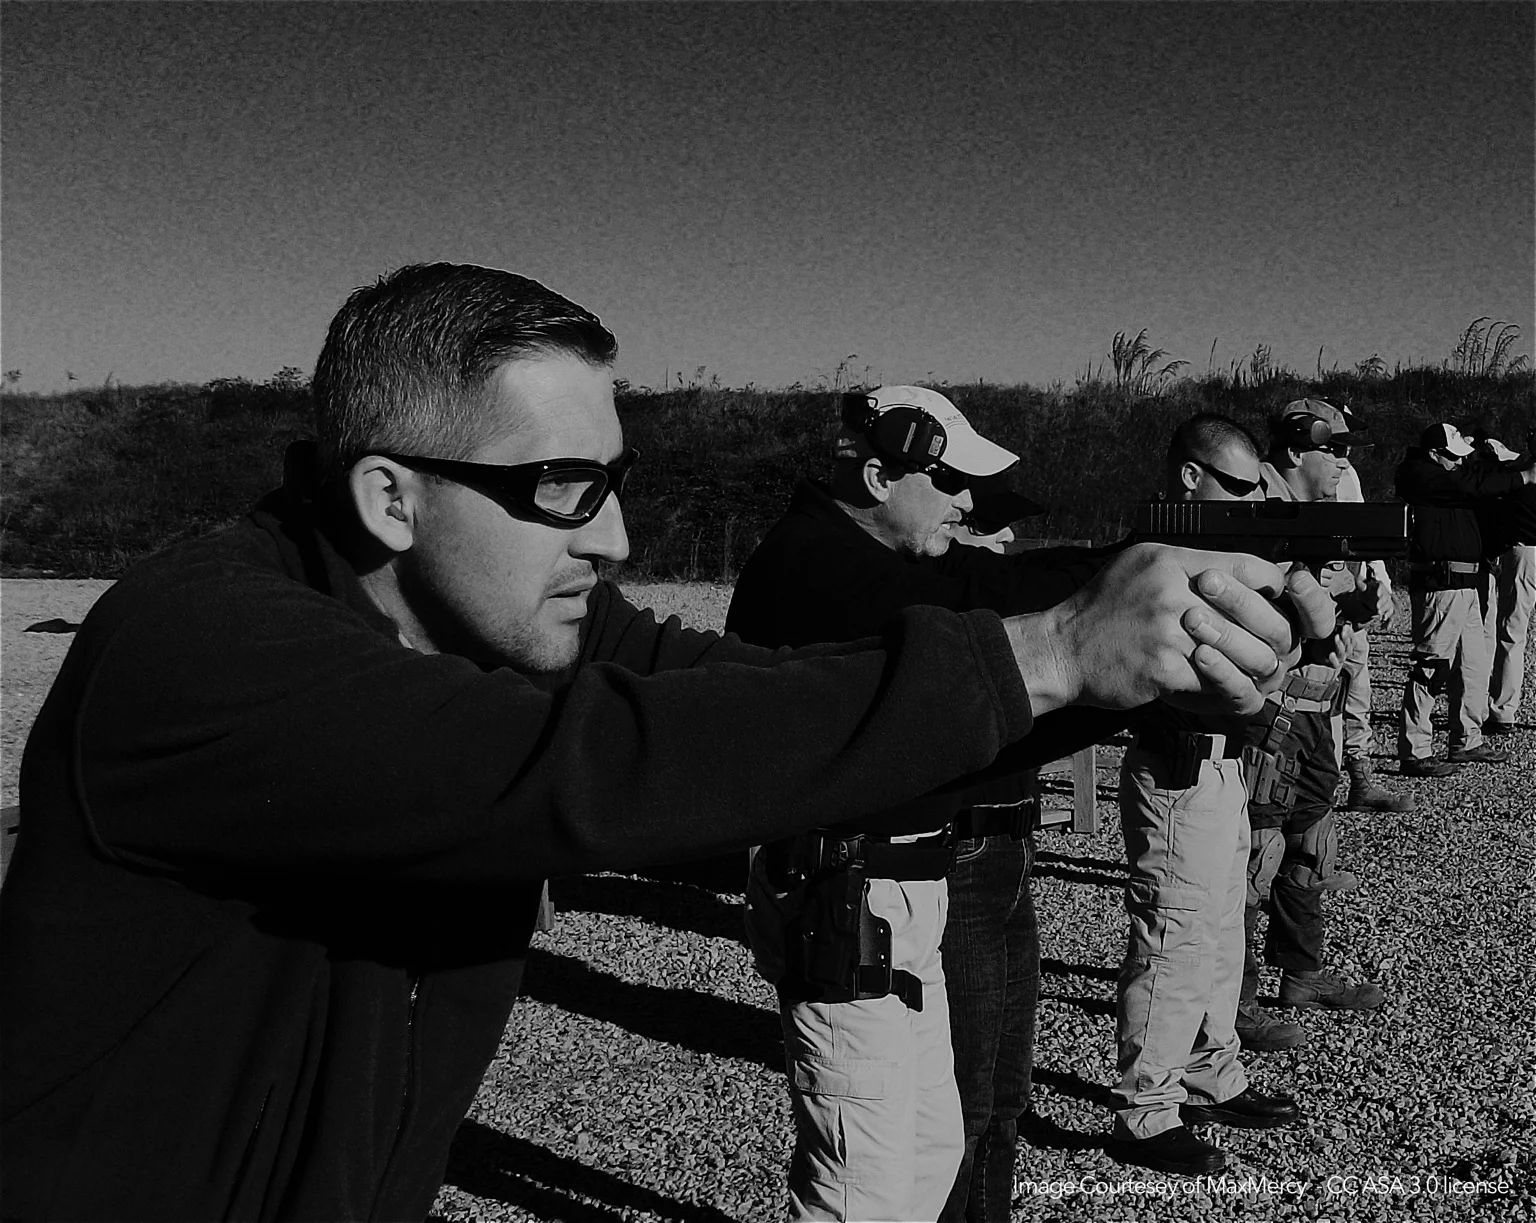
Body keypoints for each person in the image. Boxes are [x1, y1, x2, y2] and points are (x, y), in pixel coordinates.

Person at [0, 264, 1332, 1221]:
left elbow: (767, 691)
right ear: (389, 494)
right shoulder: (204, 645)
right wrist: (1044, 652)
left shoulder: (491, 615)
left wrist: (1131, 669)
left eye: (617, 481)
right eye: (562, 489)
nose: (615, 537)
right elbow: (589, 764)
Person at [725, 386, 1108, 1223]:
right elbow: (986, 592)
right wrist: (1127, 578)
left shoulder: (854, 558)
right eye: (950, 483)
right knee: (864, 1188)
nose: (969, 503)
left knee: (934, 1143)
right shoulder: (816, 569)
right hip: (850, 899)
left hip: (901, 888)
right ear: (876, 475)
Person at [1110, 414, 1304, 1180]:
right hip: (1178, 762)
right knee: (1175, 938)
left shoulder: (1219, 553)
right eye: (1236, 486)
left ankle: (1209, 1073)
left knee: (1222, 928)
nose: (1250, 500)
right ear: (1190, 478)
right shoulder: (1151, 558)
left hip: (1221, 763)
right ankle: (1145, 1111)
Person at [1245, 400, 1384, 1015]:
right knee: (1257, 851)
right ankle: (1235, 998)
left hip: (1314, 708)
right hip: (1271, 711)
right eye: (1333, 448)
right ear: (1296, 451)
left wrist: (1354, 595)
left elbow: (1354, 603)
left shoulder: (1322, 517)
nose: (1343, 461)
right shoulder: (1252, 509)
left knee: (1310, 841)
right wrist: (1317, 593)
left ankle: (1301, 972)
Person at [1395, 422, 1535, 776]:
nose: (1457, 464)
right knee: (1432, 667)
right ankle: (1416, 748)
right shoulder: (1420, 475)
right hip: (1439, 584)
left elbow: (1474, 480)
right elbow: (1470, 483)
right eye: (1450, 457)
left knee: (1473, 666)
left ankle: (1467, 739)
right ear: (1432, 454)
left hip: (1467, 582)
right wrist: (1523, 476)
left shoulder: (1448, 475)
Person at [1333, 423, 1414, 813]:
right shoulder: (1280, 486)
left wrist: (1379, 584)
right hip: (1317, 607)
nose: (1342, 458)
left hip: (1353, 607)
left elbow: (1365, 537)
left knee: (1357, 692)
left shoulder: (1348, 476)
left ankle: (1359, 779)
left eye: (1345, 449)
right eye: (1334, 448)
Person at [1473, 436, 1536, 735]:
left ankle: (1503, 710)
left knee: (1513, 633)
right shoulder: (1521, 469)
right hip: (1524, 552)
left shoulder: (1521, 477)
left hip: (1524, 552)